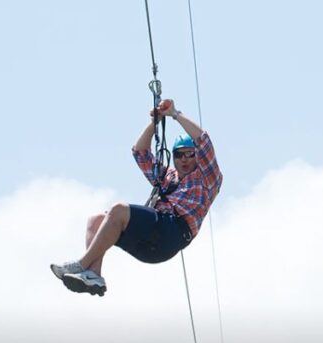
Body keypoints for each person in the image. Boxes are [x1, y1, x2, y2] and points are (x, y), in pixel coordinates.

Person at [50, 99, 222, 296]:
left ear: (197, 157)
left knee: (119, 210)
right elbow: (140, 153)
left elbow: (203, 140)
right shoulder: (168, 177)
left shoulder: (207, 178)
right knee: (96, 220)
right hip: (149, 245)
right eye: (179, 155)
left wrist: (174, 114)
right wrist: (154, 123)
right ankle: (93, 274)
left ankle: (81, 264)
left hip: (173, 233)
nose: (184, 159)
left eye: (189, 154)